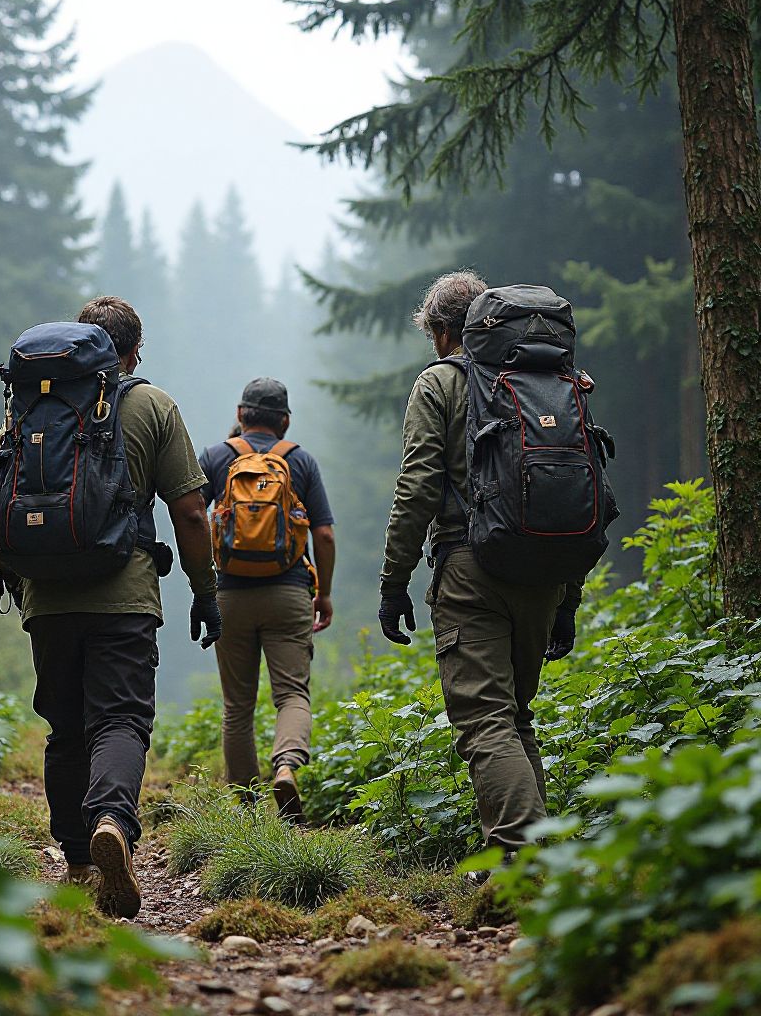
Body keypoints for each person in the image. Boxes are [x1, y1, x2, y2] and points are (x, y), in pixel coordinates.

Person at [0, 295, 221, 918]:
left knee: (66, 725)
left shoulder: (31, 405)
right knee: (120, 720)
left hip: (48, 601)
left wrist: (16, 573)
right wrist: (205, 590)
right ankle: (112, 819)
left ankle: (78, 860)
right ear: (132, 351)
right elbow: (190, 510)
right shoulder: (152, 406)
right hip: (125, 594)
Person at [377, 271, 582, 854]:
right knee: (515, 717)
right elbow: (575, 488)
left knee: (486, 720)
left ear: (445, 332)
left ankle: (520, 862)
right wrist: (569, 598)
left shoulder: (440, 383)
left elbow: (417, 487)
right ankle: (541, 858)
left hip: (471, 573)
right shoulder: (551, 382)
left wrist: (394, 583)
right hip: (546, 573)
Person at [199, 378, 335, 819]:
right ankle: (286, 768)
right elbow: (325, 533)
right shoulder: (300, 461)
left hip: (231, 596)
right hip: (289, 590)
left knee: (237, 705)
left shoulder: (217, 457)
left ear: (240, 416)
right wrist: (325, 593)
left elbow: (191, 518)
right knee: (291, 694)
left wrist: (204, 585)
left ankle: (245, 805)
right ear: (285, 421)